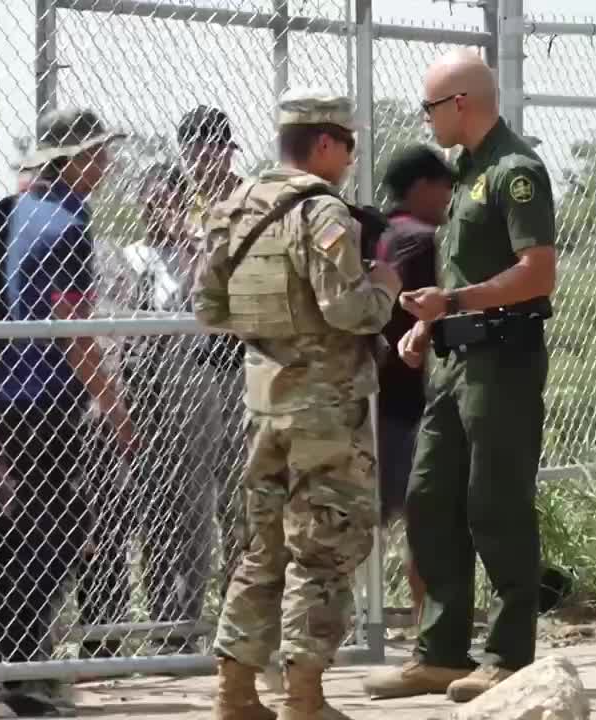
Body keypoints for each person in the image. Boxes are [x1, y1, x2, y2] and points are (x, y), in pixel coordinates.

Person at [194, 87, 401, 720]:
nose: (350, 159)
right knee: (325, 548)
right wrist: (386, 287)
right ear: (326, 144)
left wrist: (274, 342)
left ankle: (235, 693)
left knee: (262, 548)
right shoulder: (324, 213)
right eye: (348, 146)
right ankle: (304, 699)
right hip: (326, 412)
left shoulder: (235, 208)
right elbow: (348, 308)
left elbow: (208, 309)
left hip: (264, 405)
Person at [363, 49, 556, 703]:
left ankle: (508, 656)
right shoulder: (467, 172)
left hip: (503, 362)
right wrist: (429, 324)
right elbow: (465, 271)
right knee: (428, 497)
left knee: (496, 504)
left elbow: (538, 272)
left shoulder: (516, 172)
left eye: (430, 107)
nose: (427, 120)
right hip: (456, 361)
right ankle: (441, 652)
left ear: (462, 104)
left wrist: (455, 304)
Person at [0, 107, 136, 716]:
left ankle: (6, 674)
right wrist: (115, 411)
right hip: (42, 397)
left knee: (15, 535)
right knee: (54, 533)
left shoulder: (16, 210)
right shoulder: (66, 223)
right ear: (73, 160)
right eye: (99, 154)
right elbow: (74, 330)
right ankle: (21, 679)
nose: (108, 165)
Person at [119, 161, 215, 652]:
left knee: (195, 506)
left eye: (170, 201)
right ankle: (163, 622)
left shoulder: (199, 248)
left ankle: (191, 621)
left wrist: (194, 243)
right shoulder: (132, 255)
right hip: (146, 385)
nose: (161, 210)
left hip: (191, 381)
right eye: (152, 201)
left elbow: (205, 303)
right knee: (155, 505)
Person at [371, 144, 454, 622]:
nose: (448, 200)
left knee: (364, 520)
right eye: (445, 188)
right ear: (422, 187)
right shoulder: (423, 241)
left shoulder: (380, 233)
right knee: (425, 519)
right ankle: (429, 626)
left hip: (368, 395)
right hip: (406, 400)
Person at [177, 104, 248, 596]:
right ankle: (190, 609)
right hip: (195, 359)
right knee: (192, 490)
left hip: (245, 352)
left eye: (213, 151)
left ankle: (242, 596)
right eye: (195, 154)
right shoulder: (183, 201)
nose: (204, 163)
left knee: (243, 487)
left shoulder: (248, 196)